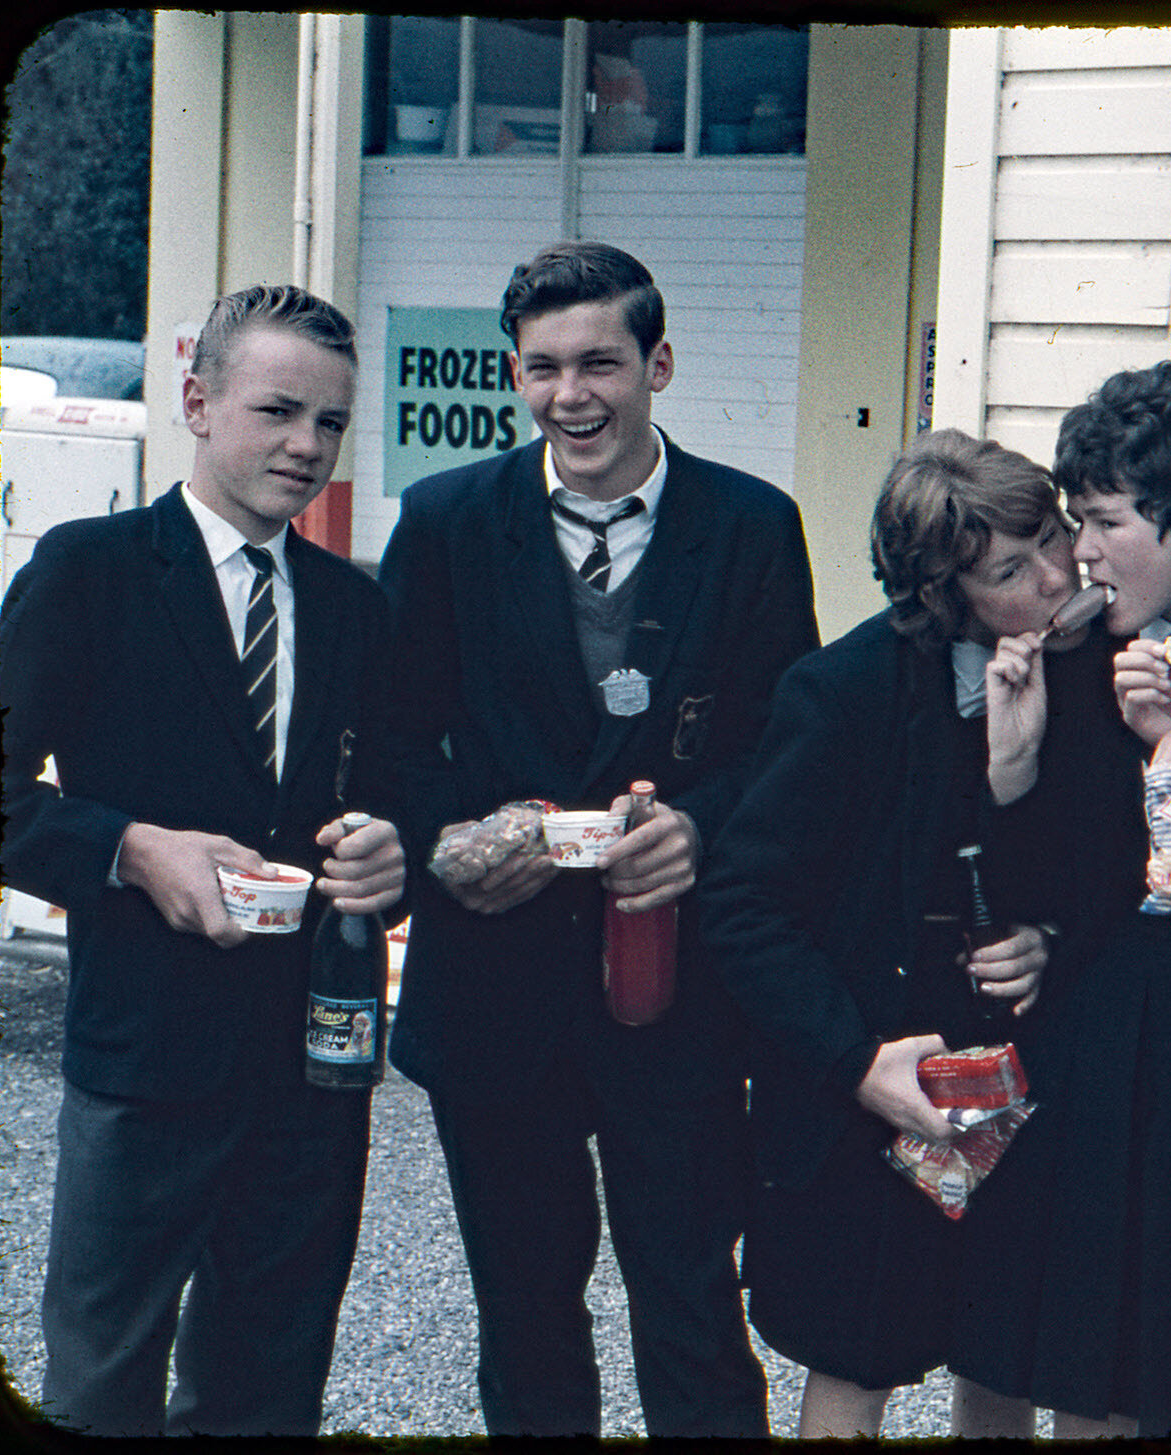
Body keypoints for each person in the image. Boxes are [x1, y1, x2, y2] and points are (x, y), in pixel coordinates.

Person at [375, 241, 817, 1437]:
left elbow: (786, 754)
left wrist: (699, 829)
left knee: (686, 1302)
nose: (570, 394)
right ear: (514, 375)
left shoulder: (752, 526)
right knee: (523, 1309)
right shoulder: (445, 521)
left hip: (673, 996)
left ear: (656, 363)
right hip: (496, 987)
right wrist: (452, 838)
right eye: (542, 368)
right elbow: (394, 745)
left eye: (600, 363)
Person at [0, 284, 406, 1436]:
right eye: (278, 410)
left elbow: (393, 799)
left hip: (312, 1071)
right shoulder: (91, 571)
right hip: (143, 1063)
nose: (305, 445)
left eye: (329, 423)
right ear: (196, 400)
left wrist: (391, 853)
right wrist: (129, 849)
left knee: (267, 1394)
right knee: (102, 1384)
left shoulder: (349, 607)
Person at [699, 430, 1132, 1439]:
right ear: (943, 593)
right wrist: (852, 1060)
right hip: (878, 1078)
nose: (1057, 576)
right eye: (1008, 571)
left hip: (1031, 1076)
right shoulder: (844, 691)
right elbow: (742, 904)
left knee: (1012, 1349)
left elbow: (1105, 872)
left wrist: (1048, 940)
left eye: (1053, 541)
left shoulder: (1099, 673)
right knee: (859, 1353)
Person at [948, 361, 1171, 1437]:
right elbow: (1053, 870)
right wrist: (1012, 776)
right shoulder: (1088, 652)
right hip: (1081, 1055)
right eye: (1074, 520)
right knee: (1024, 1346)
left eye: (1103, 520)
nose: (1077, 551)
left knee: (1149, 1370)